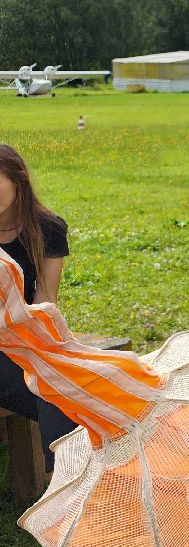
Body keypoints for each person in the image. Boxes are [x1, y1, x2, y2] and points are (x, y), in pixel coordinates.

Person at [0, 143, 77, 472]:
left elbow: (45, 301)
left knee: (59, 380)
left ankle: (65, 477)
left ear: (18, 180)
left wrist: (37, 348)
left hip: (20, 333)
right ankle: (68, 480)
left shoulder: (47, 228)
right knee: (55, 390)